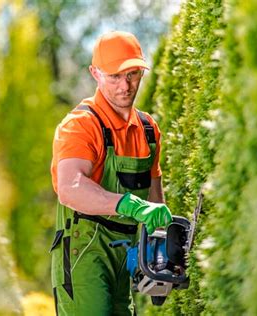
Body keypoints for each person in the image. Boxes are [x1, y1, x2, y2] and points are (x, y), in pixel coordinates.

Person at [49, 31, 173, 315]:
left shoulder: (149, 130)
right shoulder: (80, 124)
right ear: (95, 73)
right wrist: (126, 204)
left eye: (131, 74)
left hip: (125, 253)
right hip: (85, 252)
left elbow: (155, 192)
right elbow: (70, 187)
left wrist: (162, 248)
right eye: (114, 76)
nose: (125, 86)